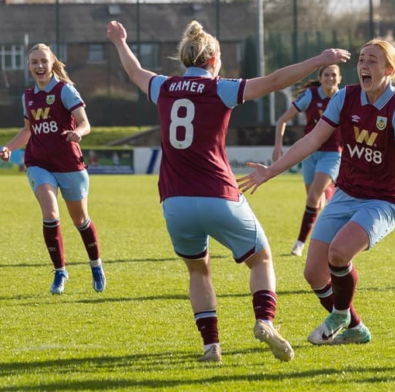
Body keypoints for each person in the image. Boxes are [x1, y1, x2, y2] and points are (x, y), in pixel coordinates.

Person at [107, 19, 349, 363]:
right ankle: (264, 321)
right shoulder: (219, 88)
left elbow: (134, 71)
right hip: (218, 194)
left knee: (198, 270)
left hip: (174, 200)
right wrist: (318, 59)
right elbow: (275, 81)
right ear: (213, 58)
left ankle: (211, 347)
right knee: (261, 258)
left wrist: (119, 41)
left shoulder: (163, 86)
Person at [240, 39, 395, 346]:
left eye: (373, 61)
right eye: (362, 59)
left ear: (390, 70)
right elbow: (311, 141)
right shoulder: (345, 97)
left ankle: (339, 314)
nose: (364, 65)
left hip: (383, 200)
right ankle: (355, 327)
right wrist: (271, 170)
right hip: (346, 193)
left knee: (338, 253)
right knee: (314, 273)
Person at [0, 44, 106, 295]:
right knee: (50, 213)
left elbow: (84, 123)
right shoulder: (28, 96)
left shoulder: (65, 90)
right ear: (29, 65)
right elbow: (28, 130)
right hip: (38, 162)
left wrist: (77, 134)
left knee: (80, 220)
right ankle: (60, 272)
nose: (39, 66)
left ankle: (96, 265)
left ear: (52, 63)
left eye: (43, 61)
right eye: (34, 61)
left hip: (69, 163)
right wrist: (9, 148)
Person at [272, 64, 342, 256]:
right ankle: (331, 195)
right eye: (326, 75)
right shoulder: (311, 95)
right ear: (320, 78)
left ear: (340, 78)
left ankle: (300, 243)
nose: (330, 78)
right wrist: (278, 145)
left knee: (313, 197)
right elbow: (282, 120)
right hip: (309, 154)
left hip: (333, 153)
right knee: (315, 201)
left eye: (334, 75)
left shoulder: (344, 97)